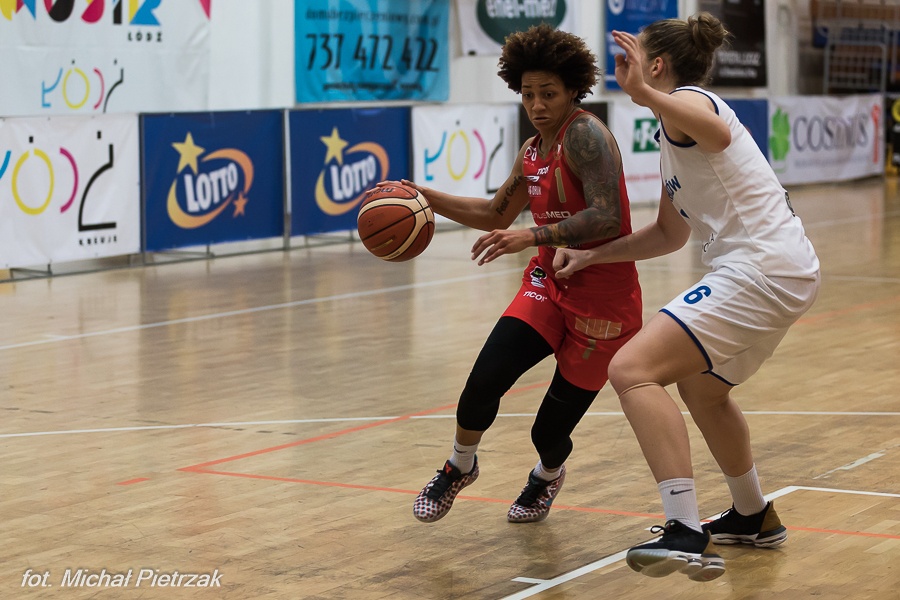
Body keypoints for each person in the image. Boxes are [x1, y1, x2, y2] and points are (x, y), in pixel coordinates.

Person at [546, 13, 820, 581]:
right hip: (781, 271)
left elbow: (716, 133)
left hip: (761, 268)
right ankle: (752, 515)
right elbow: (669, 235)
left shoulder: (692, 103)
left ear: (655, 65)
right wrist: (593, 256)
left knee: (631, 370)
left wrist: (643, 93)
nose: (622, 67)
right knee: (703, 388)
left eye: (633, 58)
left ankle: (684, 528)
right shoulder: (671, 130)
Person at [381, 24, 642, 525]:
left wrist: (533, 235)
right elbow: (494, 215)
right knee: (483, 382)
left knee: (548, 432)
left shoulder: (585, 135)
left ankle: (546, 476)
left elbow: (608, 217)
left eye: (549, 94)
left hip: (603, 301)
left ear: (572, 90)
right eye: (527, 94)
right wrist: (424, 197)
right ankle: (459, 465)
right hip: (548, 284)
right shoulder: (531, 152)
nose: (537, 105)